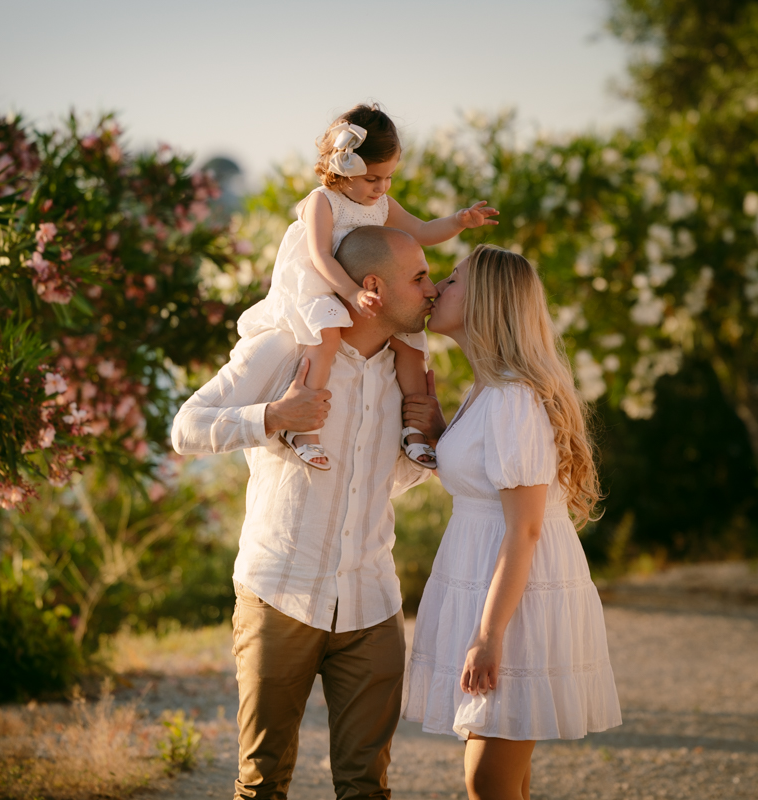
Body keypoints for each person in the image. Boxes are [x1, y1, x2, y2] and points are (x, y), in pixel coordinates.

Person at [172, 226, 446, 800]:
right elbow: (185, 428)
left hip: (372, 603)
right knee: (262, 785)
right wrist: (273, 416)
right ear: (373, 287)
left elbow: (382, 485)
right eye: (419, 278)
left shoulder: (406, 370)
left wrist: (426, 438)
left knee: (367, 788)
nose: (432, 290)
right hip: (280, 595)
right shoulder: (284, 348)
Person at [402, 244, 622, 800]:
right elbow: (485, 483)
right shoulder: (487, 390)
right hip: (488, 582)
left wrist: (488, 634)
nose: (435, 290)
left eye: (451, 281)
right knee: (503, 780)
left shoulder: (512, 400)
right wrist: (438, 435)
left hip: (515, 600)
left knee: (488, 781)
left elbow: (524, 528)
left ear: (484, 304)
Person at [237, 103, 498, 471]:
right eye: (373, 179)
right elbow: (320, 257)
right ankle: (305, 428)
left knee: (411, 345)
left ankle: (414, 431)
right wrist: (351, 293)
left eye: (389, 177)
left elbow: (422, 231)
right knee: (326, 338)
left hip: (365, 285)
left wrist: (458, 221)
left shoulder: (382, 204)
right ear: (341, 169)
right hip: (323, 284)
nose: (382, 187)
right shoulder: (322, 202)